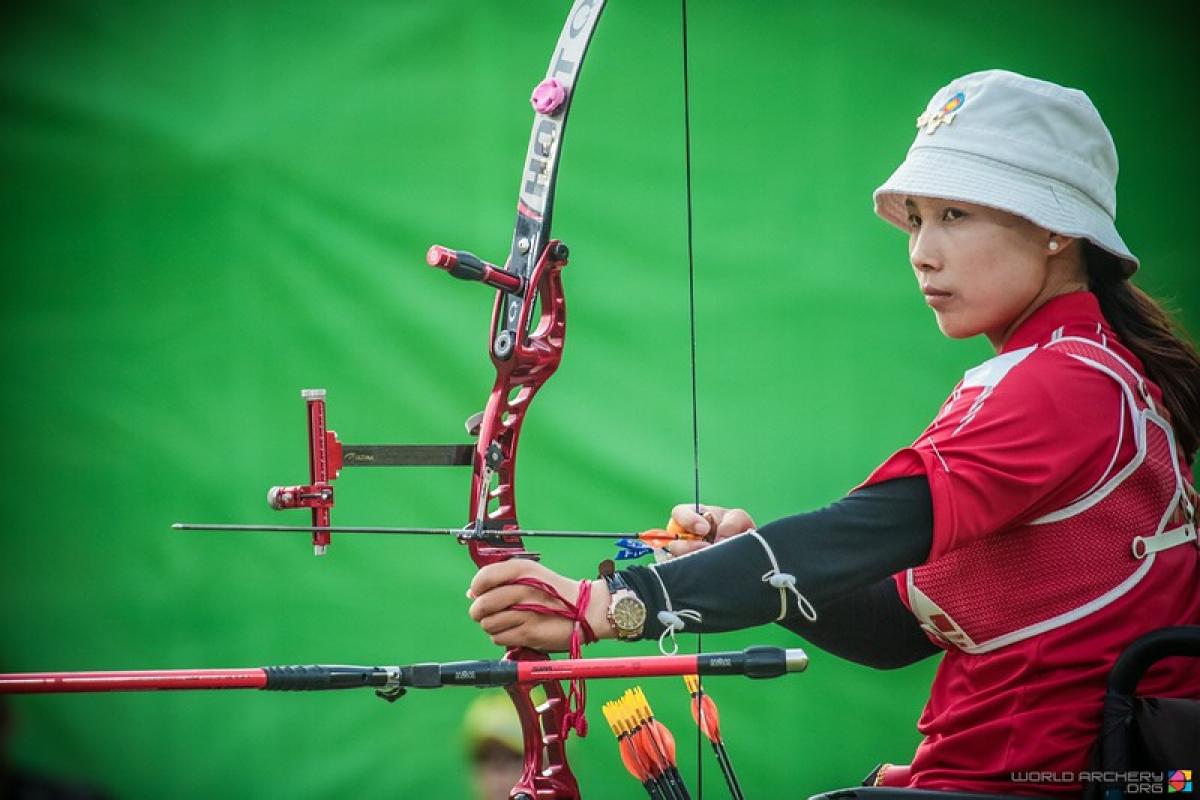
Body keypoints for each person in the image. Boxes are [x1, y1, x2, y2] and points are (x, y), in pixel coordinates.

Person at [466, 70, 1200, 797]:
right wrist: (732, 558)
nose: (922, 251)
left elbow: (862, 532)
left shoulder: (1062, 384)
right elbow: (892, 631)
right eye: (916, 218)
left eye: (955, 216)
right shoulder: (1096, 373)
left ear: (1055, 230)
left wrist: (608, 605)